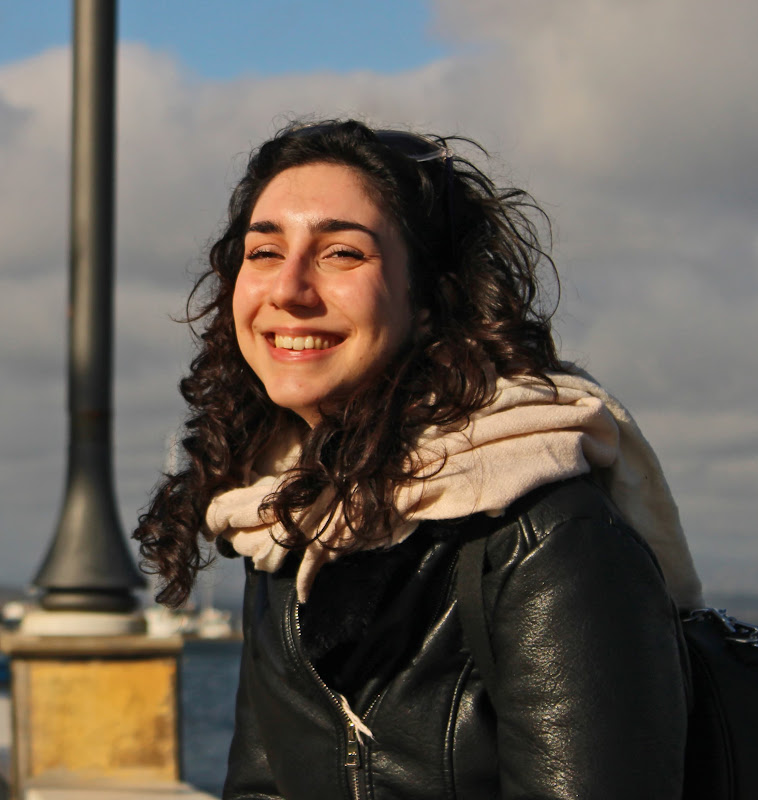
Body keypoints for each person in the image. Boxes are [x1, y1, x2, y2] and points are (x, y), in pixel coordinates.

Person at [134, 119, 704, 799]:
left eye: (341, 253)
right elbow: (262, 787)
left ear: (432, 299)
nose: (288, 289)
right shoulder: (283, 514)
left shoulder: (545, 536)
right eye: (264, 252)